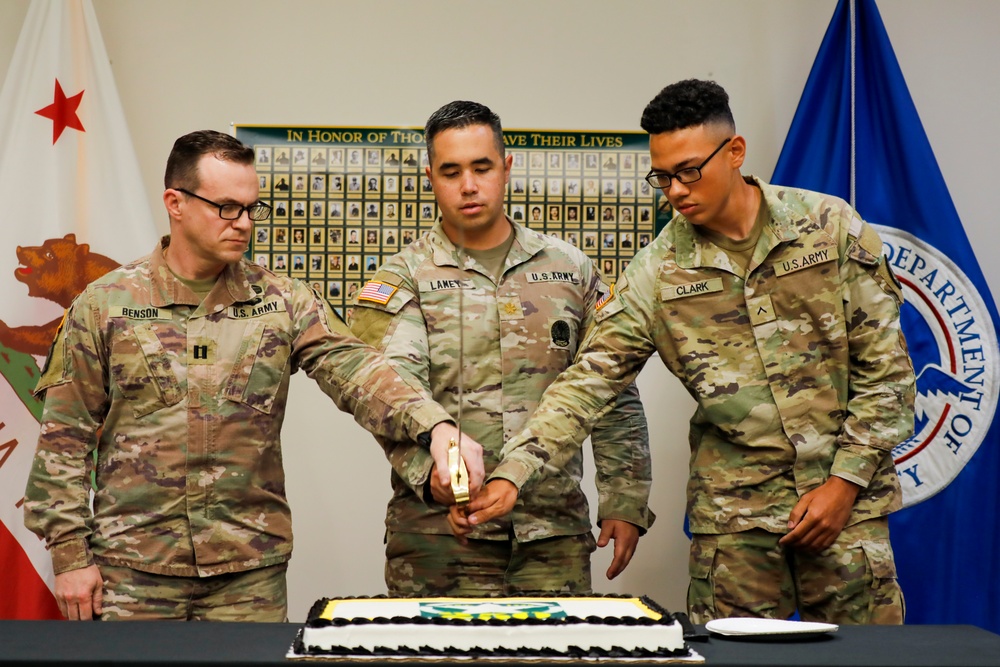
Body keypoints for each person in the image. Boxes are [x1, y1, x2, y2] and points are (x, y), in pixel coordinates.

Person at [463, 80, 916, 625]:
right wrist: (514, 472)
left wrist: (845, 482)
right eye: (662, 176)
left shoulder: (830, 227)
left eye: (688, 171)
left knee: (870, 660)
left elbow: (886, 372)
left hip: (851, 509)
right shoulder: (657, 272)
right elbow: (588, 383)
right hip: (735, 521)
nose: (674, 190)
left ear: (735, 152)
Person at [23, 130, 485, 623]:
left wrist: (435, 426)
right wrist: (70, 555)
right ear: (174, 203)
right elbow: (65, 438)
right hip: (133, 573)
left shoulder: (282, 301)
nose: (243, 223)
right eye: (226, 207)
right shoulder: (105, 304)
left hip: (247, 574)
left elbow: (356, 370)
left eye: (251, 208)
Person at [349, 101, 653, 597]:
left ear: (506, 168)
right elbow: (388, 400)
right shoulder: (402, 279)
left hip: (551, 535)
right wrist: (430, 477)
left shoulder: (570, 270)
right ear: (430, 177)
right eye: (451, 171)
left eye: (481, 167)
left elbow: (612, 390)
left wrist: (625, 498)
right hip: (441, 538)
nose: (468, 185)